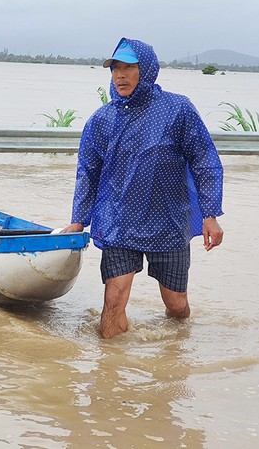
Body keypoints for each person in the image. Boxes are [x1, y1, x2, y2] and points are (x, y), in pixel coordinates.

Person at [62, 38, 224, 339]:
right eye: (115, 69)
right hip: (119, 222)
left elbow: (204, 160)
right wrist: (78, 220)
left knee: (175, 306)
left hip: (169, 221)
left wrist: (210, 214)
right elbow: (88, 173)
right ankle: (110, 373)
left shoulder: (178, 110)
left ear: (146, 70)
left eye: (128, 68)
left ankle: (177, 347)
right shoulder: (102, 120)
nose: (120, 75)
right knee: (112, 303)